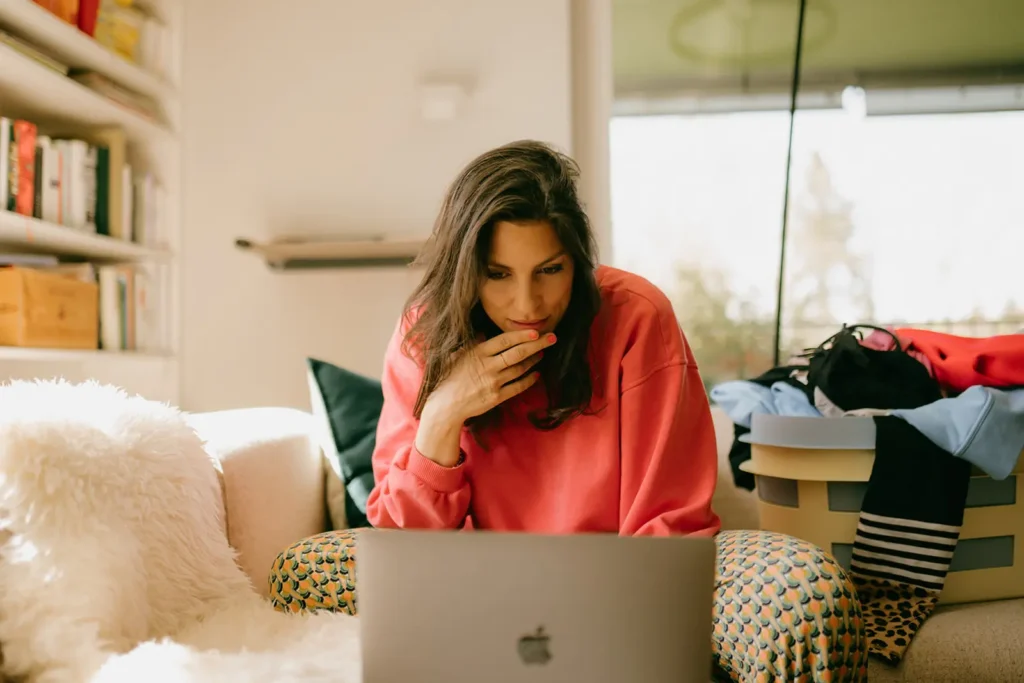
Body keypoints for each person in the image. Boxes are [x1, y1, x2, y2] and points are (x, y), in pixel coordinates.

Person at [268, 140, 869, 682]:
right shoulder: (422, 336)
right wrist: (442, 417)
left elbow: (666, 524)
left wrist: (610, 627)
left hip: (637, 572)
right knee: (299, 569)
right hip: (472, 581)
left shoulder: (637, 317)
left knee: (811, 596)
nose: (526, 304)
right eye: (497, 275)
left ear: (577, 261)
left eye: (549, 271)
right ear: (464, 271)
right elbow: (402, 548)